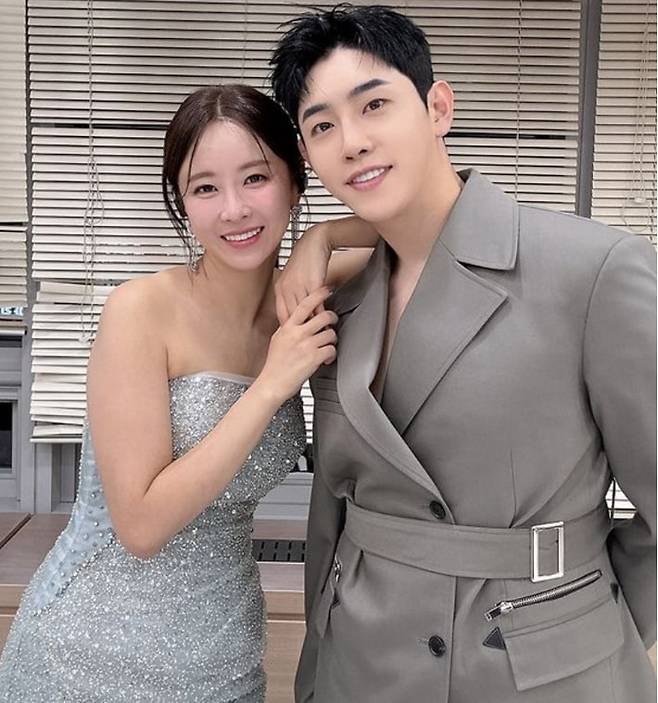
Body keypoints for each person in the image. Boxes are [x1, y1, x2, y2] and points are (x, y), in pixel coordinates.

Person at [270, 5, 657, 702]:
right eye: (322, 126)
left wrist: (588, 621)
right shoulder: (337, 299)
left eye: (374, 105)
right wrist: (318, 663)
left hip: (535, 669)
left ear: (437, 108)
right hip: (361, 663)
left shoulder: (591, 270)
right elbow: (333, 511)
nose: (352, 141)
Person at [0, 84, 371, 702]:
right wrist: (270, 386)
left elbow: (420, 223)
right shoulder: (140, 310)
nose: (234, 210)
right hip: (87, 658)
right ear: (182, 202)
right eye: (205, 188)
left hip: (226, 655)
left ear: (295, 183)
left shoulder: (297, 293)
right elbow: (142, 526)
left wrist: (323, 237)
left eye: (256, 178)